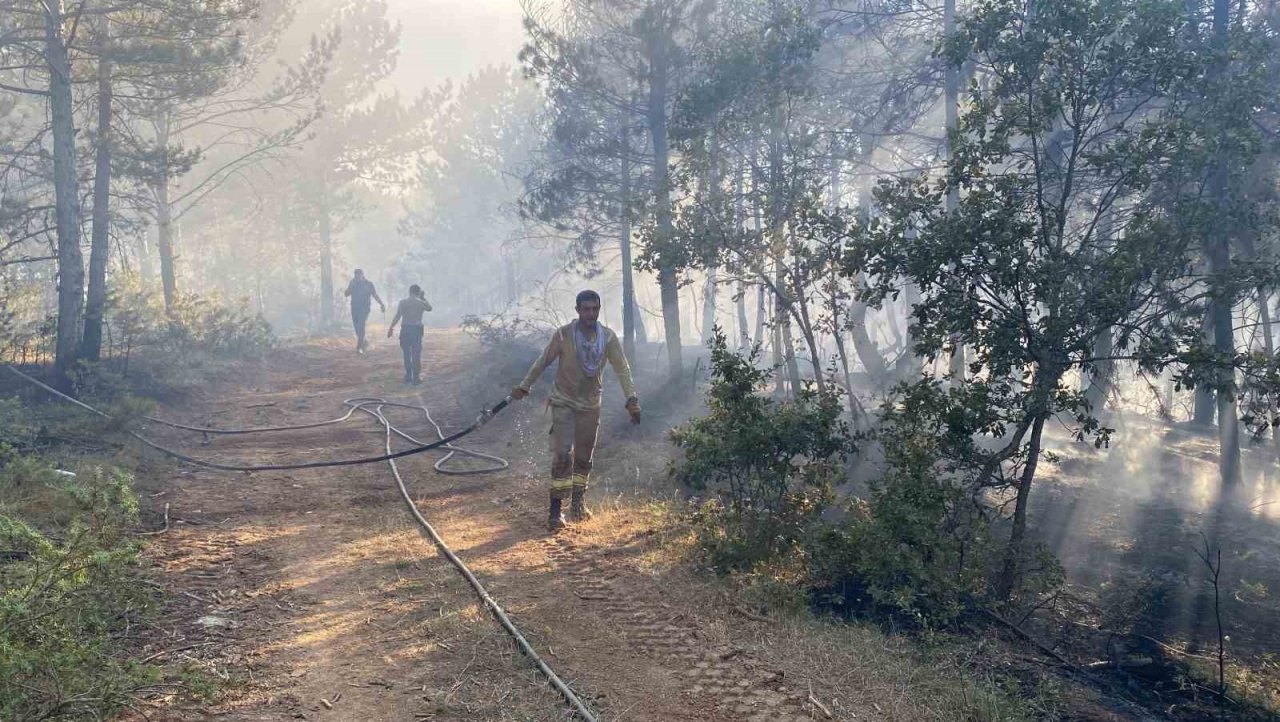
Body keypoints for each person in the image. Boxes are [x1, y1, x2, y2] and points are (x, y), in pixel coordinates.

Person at [511, 290, 641, 532]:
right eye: (586, 309)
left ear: (599, 310)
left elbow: (622, 369)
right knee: (563, 454)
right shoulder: (563, 335)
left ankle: (578, 504)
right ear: (578, 310)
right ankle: (555, 511)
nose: (591, 314)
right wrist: (524, 386)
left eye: (595, 309)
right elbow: (543, 361)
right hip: (563, 401)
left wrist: (631, 399)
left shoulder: (608, 338)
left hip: (590, 405)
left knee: (583, 457)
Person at [387, 284, 432, 384]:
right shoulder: (421, 302)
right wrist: (423, 297)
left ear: (409, 292)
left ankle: (408, 376)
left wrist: (391, 328)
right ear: (418, 292)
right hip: (416, 330)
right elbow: (430, 308)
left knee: (406, 354)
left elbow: (397, 316)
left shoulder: (403, 302)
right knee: (416, 354)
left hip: (405, 329)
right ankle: (416, 377)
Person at [343, 269, 384, 354]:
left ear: (362, 275)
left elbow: (374, 295)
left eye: (358, 275)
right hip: (354, 308)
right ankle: (364, 342)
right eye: (356, 276)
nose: (357, 277)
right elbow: (346, 294)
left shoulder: (369, 284)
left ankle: (360, 346)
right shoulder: (352, 283)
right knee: (356, 327)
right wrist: (351, 287)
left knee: (361, 325)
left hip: (365, 308)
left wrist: (381, 304)